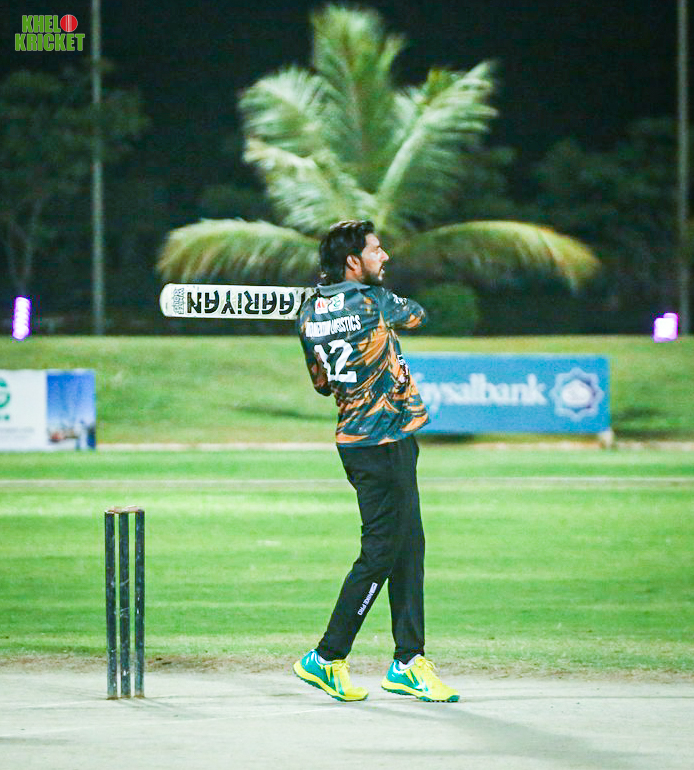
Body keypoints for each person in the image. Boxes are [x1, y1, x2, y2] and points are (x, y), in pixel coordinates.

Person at [293, 219, 459, 703]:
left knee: (409, 547)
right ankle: (326, 656)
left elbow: (321, 384)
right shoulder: (374, 301)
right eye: (376, 249)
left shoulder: (307, 312)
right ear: (353, 261)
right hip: (382, 442)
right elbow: (418, 316)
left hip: (362, 441)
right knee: (382, 552)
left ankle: (408, 661)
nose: (384, 257)